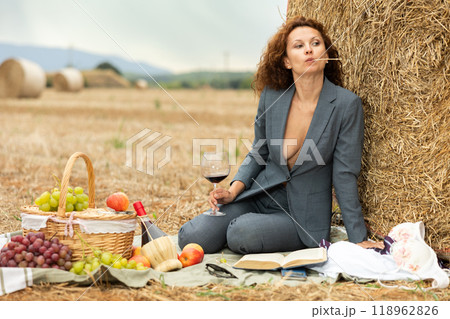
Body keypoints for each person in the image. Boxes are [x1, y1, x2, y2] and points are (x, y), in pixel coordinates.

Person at [178, 16, 383, 254]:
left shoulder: (347, 105)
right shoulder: (272, 96)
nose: (309, 49)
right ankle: (238, 228)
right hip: (260, 194)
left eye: (316, 43)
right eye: (298, 45)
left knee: (240, 232)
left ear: (326, 55)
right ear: (286, 61)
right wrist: (233, 191)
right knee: (193, 236)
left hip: (303, 215)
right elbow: (259, 151)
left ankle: (246, 231)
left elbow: (345, 173)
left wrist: (358, 237)